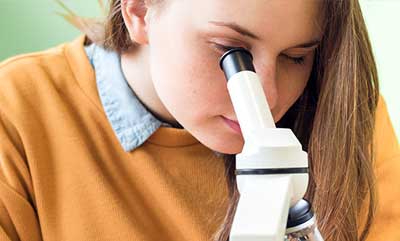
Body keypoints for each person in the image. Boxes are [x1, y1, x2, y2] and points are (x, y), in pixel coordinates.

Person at [0, 0, 398, 240]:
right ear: (139, 9)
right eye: (230, 52)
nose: (269, 98)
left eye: (296, 57)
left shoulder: (346, 117)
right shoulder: (16, 114)